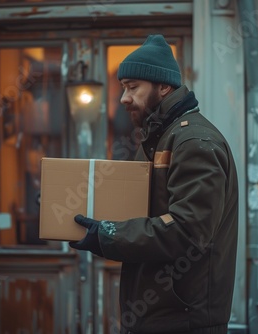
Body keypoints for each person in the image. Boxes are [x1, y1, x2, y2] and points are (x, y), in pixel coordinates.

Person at [69, 34, 239, 334]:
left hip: (183, 320)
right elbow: (135, 210)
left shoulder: (193, 141)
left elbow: (188, 230)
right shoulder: (157, 138)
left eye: (133, 88)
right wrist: (65, 208)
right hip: (157, 316)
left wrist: (108, 236)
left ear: (163, 87)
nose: (123, 98)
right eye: (123, 88)